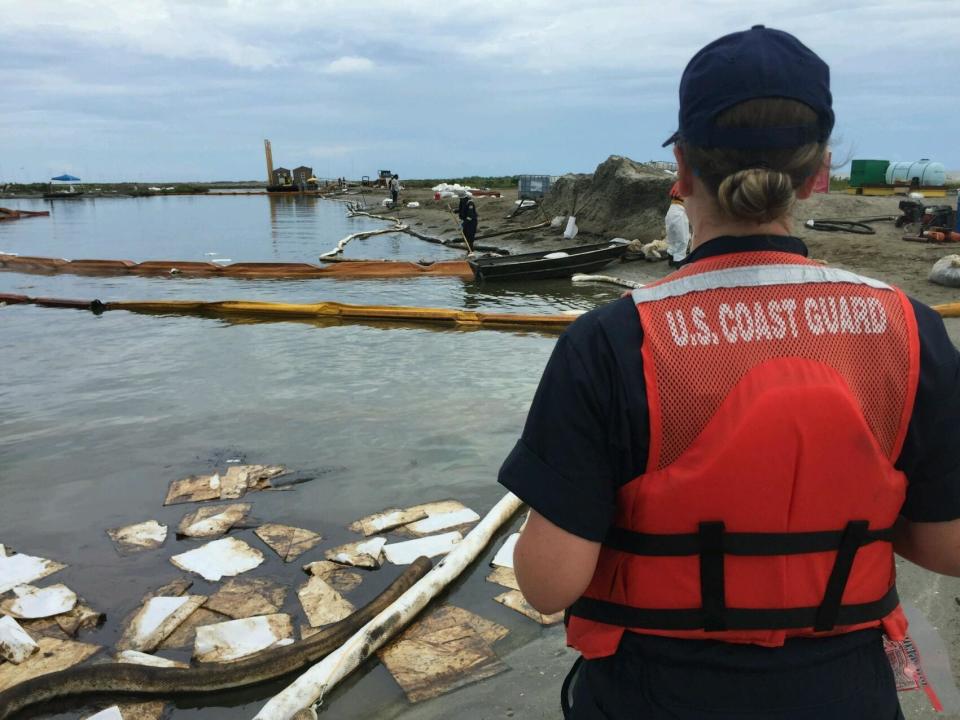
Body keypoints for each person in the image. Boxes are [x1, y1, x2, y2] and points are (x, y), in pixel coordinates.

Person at [499, 25, 960, 720]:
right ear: (820, 172)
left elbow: (548, 585)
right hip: (845, 694)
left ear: (682, 170)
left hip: (652, 696)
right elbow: (947, 544)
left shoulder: (611, 341)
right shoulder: (910, 328)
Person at [665, 181, 690, 267]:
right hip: (680, 210)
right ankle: (679, 262)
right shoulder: (690, 181)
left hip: (671, 209)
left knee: (672, 238)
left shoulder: (680, 181)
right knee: (683, 238)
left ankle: (671, 258)